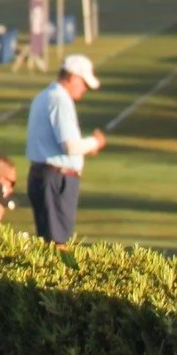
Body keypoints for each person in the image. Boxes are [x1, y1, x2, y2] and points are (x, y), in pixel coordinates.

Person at [25, 55, 106, 244]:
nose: (85, 89)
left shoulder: (45, 96)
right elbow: (70, 145)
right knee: (58, 243)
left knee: (50, 240)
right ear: (72, 77)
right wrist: (95, 142)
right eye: (84, 83)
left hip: (46, 176)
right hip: (57, 179)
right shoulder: (59, 100)